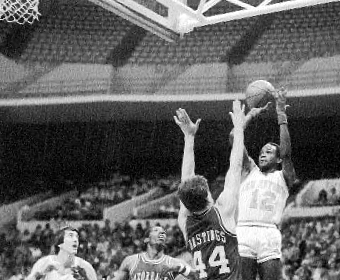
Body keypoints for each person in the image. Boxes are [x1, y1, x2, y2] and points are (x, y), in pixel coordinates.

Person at [174, 100, 246, 280]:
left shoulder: (185, 222)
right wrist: (238, 127)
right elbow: (236, 166)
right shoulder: (223, 210)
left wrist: (189, 137)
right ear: (208, 194)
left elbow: (186, 181)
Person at [230, 88, 296, 280]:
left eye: (268, 151)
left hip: (268, 232)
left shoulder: (284, 177)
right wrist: (250, 114)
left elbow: (286, 153)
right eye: (261, 151)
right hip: (243, 230)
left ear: (277, 160)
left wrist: (281, 112)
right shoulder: (249, 170)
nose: (263, 153)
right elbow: (235, 138)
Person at [111, 225, 198, 280]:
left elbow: (197, 277)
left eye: (163, 232)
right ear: (147, 239)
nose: (162, 233)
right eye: (156, 230)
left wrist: (182, 269)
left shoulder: (175, 263)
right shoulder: (131, 261)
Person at [25, 226, 97, 280]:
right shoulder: (44, 262)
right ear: (60, 243)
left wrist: (86, 278)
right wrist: (40, 274)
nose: (75, 240)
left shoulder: (85, 266)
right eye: (70, 236)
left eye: (76, 238)